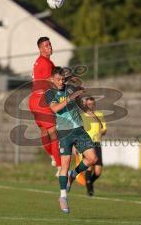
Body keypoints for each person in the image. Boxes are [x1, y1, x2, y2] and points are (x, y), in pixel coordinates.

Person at [45, 67, 97, 213]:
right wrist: (69, 98)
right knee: (65, 165)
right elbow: (55, 109)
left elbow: (79, 102)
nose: (61, 82)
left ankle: (73, 175)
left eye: (63, 79)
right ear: (51, 79)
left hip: (79, 130)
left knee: (92, 158)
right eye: (58, 79)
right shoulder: (50, 93)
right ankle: (63, 197)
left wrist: (88, 111)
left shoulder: (70, 88)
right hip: (65, 132)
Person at [29, 37, 61, 175]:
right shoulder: (45, 63)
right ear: (40, 49)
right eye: (46, 45)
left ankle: (53, 157)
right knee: (54, 133)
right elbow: (51, 82)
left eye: (50, 44)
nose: (49, 47)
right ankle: (60, 167)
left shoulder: (44, 62)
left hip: (34, 100)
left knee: (44, 131)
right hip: (42, 100)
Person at [81, 97, 107, 196]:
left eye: (92, 104)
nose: (90, 106)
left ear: (94, 105)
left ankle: (89, 182)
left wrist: (102, 132)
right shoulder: (82, 116)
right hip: (86, 144)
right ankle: (89, 190)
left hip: (97, 144)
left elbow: (104, 129)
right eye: (88, 104)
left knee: (98, 171)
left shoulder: (99, 115)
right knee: (89, 166)